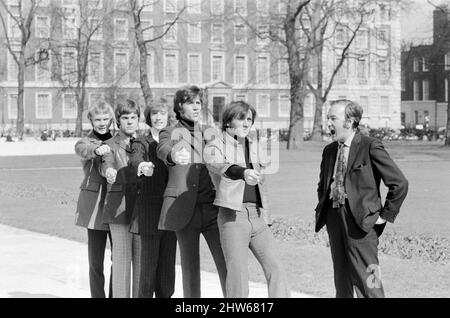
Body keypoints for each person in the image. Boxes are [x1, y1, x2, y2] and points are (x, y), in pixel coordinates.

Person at [315, 99, 409, 298]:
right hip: (334, 218)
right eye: (328, 118)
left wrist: (383, 217)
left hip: (363, 224)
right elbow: (322, 185)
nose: (328, 123)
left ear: (349, 122)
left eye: (333, 118)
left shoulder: (370, 145)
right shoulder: (329, 150)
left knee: (370, 282)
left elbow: (399, 183)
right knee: (341, 281)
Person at [203, 101, 290, 298]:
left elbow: (263, 186)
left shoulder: (255, 146)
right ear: (228, 122)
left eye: (249, 119)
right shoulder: (214, 147)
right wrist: (243, 172)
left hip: (257, 217)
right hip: (233, 218)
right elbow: (223, 167)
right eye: (241, 118)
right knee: (238, 277)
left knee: (276, 268)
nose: (246, 123)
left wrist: (266, 217)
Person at [156, 85, 227, 298]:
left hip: (213, 209)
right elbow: (163, 149)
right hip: (185, 209)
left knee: (226, 264)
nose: (196, 107)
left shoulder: (210, 132)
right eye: (190, 102)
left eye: (198, 102)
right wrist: (174, 155)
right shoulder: (169, 131)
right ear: (179, 106)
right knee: (190, 270)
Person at [129, 98, 177, 298]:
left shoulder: (176, 140)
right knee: (147, 270)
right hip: (149, 210)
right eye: (154, 114)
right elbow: (135, 157)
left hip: (171, 210)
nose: (158, 118)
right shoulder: (141, 141)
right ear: (149, 117)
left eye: (162, 113)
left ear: (169, 116)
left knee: (167, 269)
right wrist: (142, 166)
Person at [101, 99, 141, 298]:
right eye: (125, 118)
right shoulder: (109, 144)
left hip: (142, 211)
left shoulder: (146, 143)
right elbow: (106, 162)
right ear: (118, 121)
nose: (130, 122)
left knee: (142, 266)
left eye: (134, 117)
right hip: (120, 210)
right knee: (122, 263)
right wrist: (109, 170)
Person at [74, 101, 114, 298]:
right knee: (96, 262)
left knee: (120, 258)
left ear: (111, 119)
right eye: (97, 119)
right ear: (91, 120)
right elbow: (81, 149)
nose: (102, 123)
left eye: (105, 119)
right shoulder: (86, 141)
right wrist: (97, 151)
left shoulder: (118, 139)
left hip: (116, 205)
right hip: (95, 208)